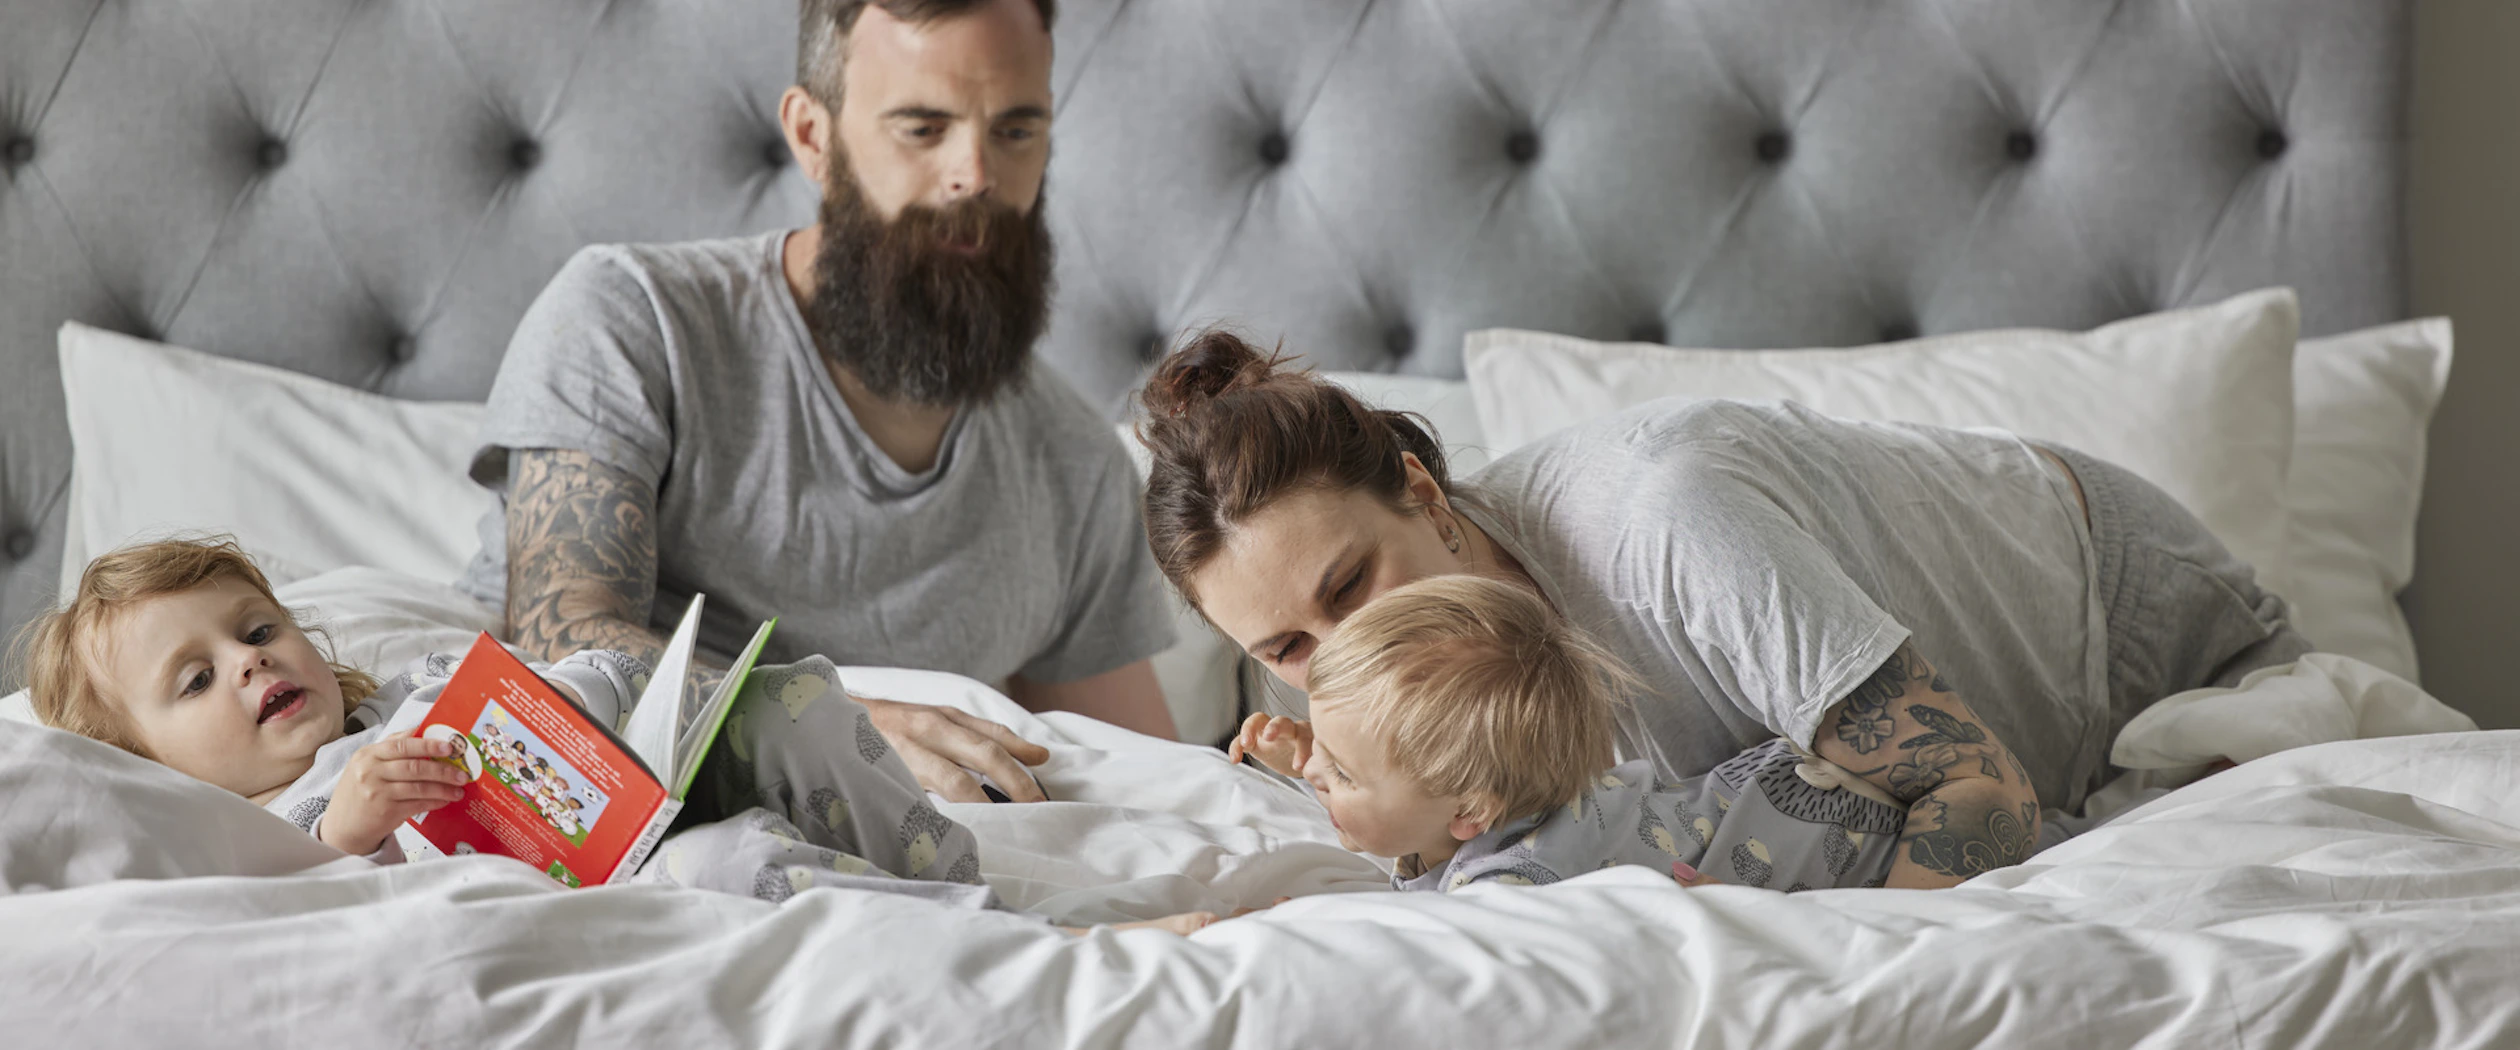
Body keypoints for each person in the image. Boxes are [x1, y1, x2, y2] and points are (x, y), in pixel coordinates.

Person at [1138, 330, 2310, 889]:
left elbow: (1977, 788)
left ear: (1427, 496)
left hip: (2136, 627)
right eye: (1289, 647)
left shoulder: (1669, 528)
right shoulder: (1424, 725)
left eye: (1351, 588)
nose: (1345, 661)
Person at [457, 0, 1176, 803]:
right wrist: (828, 730)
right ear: (812, 136)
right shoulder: (633, 319)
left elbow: (1142, 786)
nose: (976, 174)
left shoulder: (1074, 460)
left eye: (1015, 130)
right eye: (922, 128)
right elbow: (561, 641)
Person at [16, 538, 1212, 934]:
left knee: (795, 699)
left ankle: (948, 874)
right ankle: (1001, 938)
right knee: (731, 858)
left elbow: (566, 676)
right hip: (628, 871)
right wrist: (351, 821)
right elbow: (312, 887)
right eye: (197, 678)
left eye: (258, 626)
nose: (253, 663)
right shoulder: (273, 820)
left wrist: (579, 692)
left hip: (647, 786)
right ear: (151, 766)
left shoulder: (425, 687)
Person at [1231, 576, 1909, 893]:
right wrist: (1317, 761)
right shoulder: (1499, 796)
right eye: (1322, 743)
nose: (1317, 771)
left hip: (1878, 838)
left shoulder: (1519, 886)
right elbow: (1408, 814)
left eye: (1342, 773)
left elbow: (1423, 952)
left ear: (1470, 810)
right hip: (1777, 789)